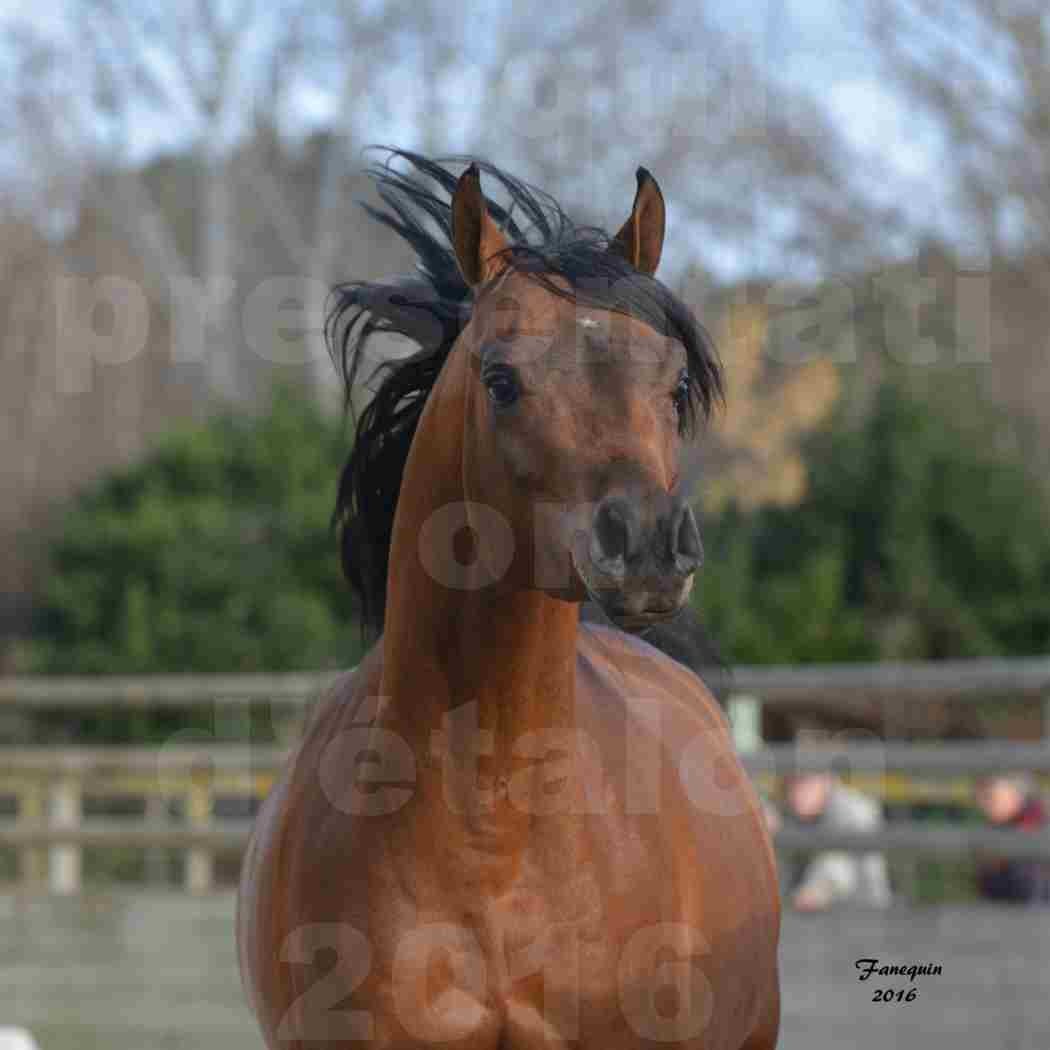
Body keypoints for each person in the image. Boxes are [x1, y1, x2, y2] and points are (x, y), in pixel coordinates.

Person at [778, 771, 892, 911]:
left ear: (827, 780)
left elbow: (843, 867)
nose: (796, 792)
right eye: (791, 783)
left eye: (804, 781)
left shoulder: (855, 810)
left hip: (857, 913)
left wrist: (819, 889)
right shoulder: (790, 814)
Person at [974, 772, 1050, 904]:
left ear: (1015, 795)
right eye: (980, 797)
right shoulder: (1002, 827)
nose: (982, 804)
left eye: (989, 797)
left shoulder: (1033, 825)